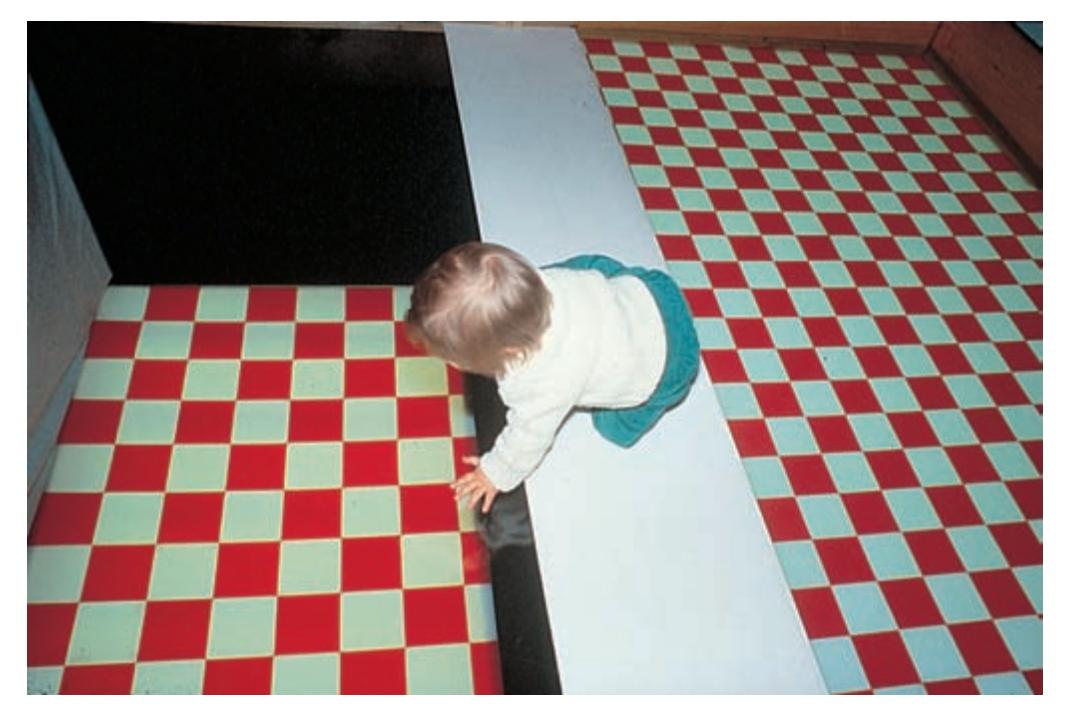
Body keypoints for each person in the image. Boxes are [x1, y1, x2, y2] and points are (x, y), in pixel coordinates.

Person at [405, 241, 700, 514]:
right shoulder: (541, 281)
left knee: (613, 428)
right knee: (590, 268)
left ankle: (637, 398)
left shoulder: (540, 382)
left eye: (454, 359)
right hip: (652, 289)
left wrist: (492, 473)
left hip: (671, 363)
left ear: (508, 352)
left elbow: (527, 439)